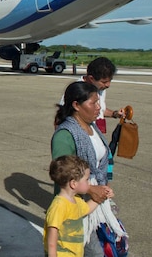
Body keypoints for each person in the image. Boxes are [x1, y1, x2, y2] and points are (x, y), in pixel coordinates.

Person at [52, 81, 117, 257]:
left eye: (99, 102)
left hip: (96, 203)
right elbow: (62, 172)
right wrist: (90, 188)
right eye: (93, 103)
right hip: (76, 206)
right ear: (76, 105)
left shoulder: (92, 127)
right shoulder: (65, 135)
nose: (99, 107)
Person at [45, 155, 111, 257]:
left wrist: (102, 196)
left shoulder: (76, 200)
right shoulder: (59, 205)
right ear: (74, 184)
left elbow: (87, 209)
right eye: (86, 179)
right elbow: (52, 237)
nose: (89, 183)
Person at [59, 57, 125, 134]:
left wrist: (115, 114)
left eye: (110, 81)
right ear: (91, 78)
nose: (108, 85)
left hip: (96, 134)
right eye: (104, 82)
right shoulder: (76, 90)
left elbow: (100, 110)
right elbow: (60, 117)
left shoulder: (99, 88)